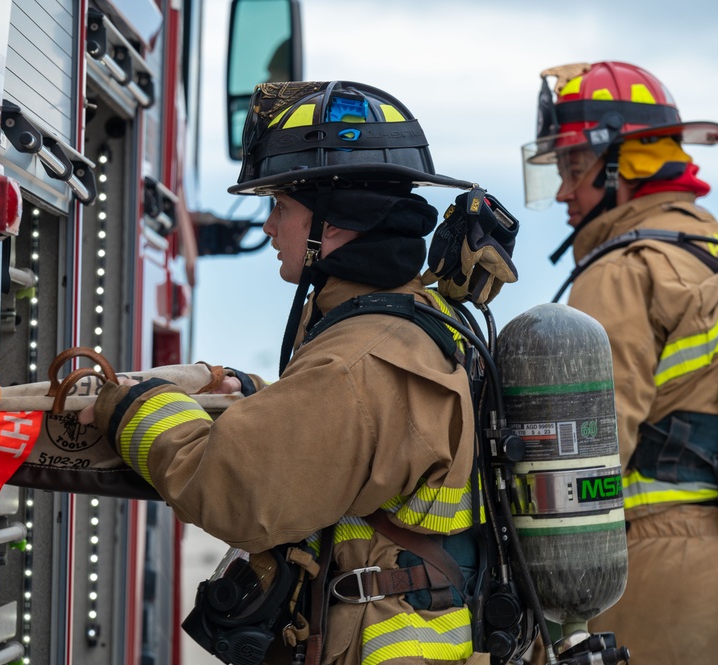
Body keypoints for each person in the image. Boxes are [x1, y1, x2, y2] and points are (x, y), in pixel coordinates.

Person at [83, 80, 509, 665]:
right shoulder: (414, 319)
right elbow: (355, 439)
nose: (267, 227)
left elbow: (234, 492)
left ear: (333, 224)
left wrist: (133, 409)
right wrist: (255, 396)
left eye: (280, 206)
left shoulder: (356, 363)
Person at [521, 61, 718, 664]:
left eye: (574, 169)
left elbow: (592, 442)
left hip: (666, 569)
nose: (565, 192)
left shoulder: (621, 270)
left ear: (623, 165)